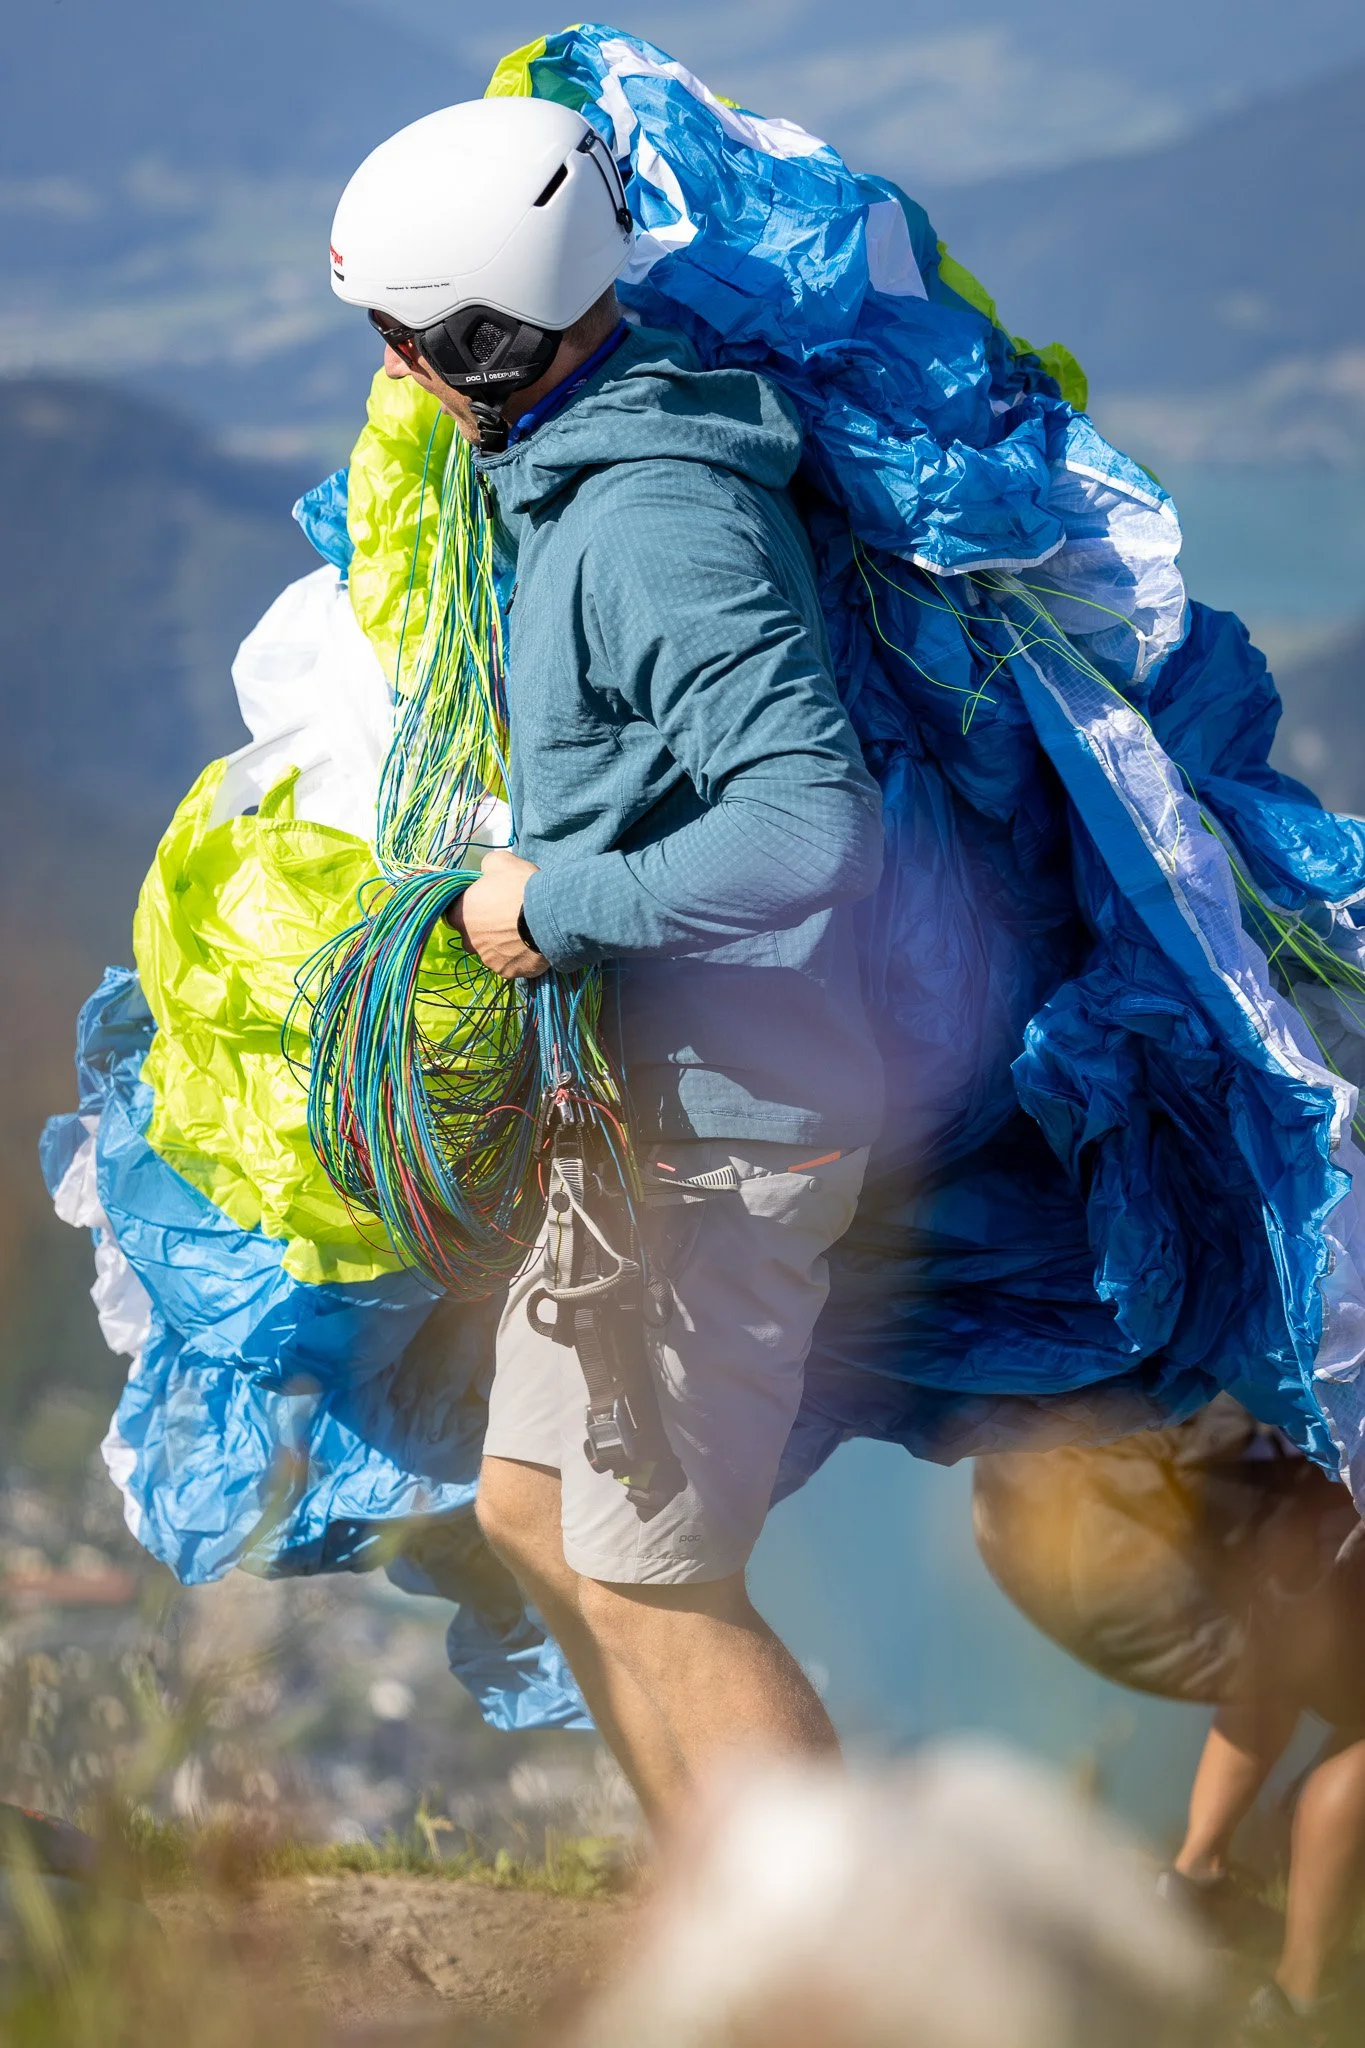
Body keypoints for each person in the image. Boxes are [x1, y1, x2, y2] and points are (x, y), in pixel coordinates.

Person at [328, 96, 885, 1823]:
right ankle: (719, 1901)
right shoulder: (567, 477)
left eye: (408, 343)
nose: (397, 375)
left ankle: (850, 1970)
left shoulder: (651, 524)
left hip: (722, 1130)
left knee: (659, 1578)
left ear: (486, 345)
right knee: (528, 1511)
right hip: (635, 1117)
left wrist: (548, 905)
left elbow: (810, 827)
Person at [973, 1402, 1365, 2044]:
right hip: (1124, 1530)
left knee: (1284, 1629)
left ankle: (1193, 1884)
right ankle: (1304, 1997)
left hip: (1038, 1516)